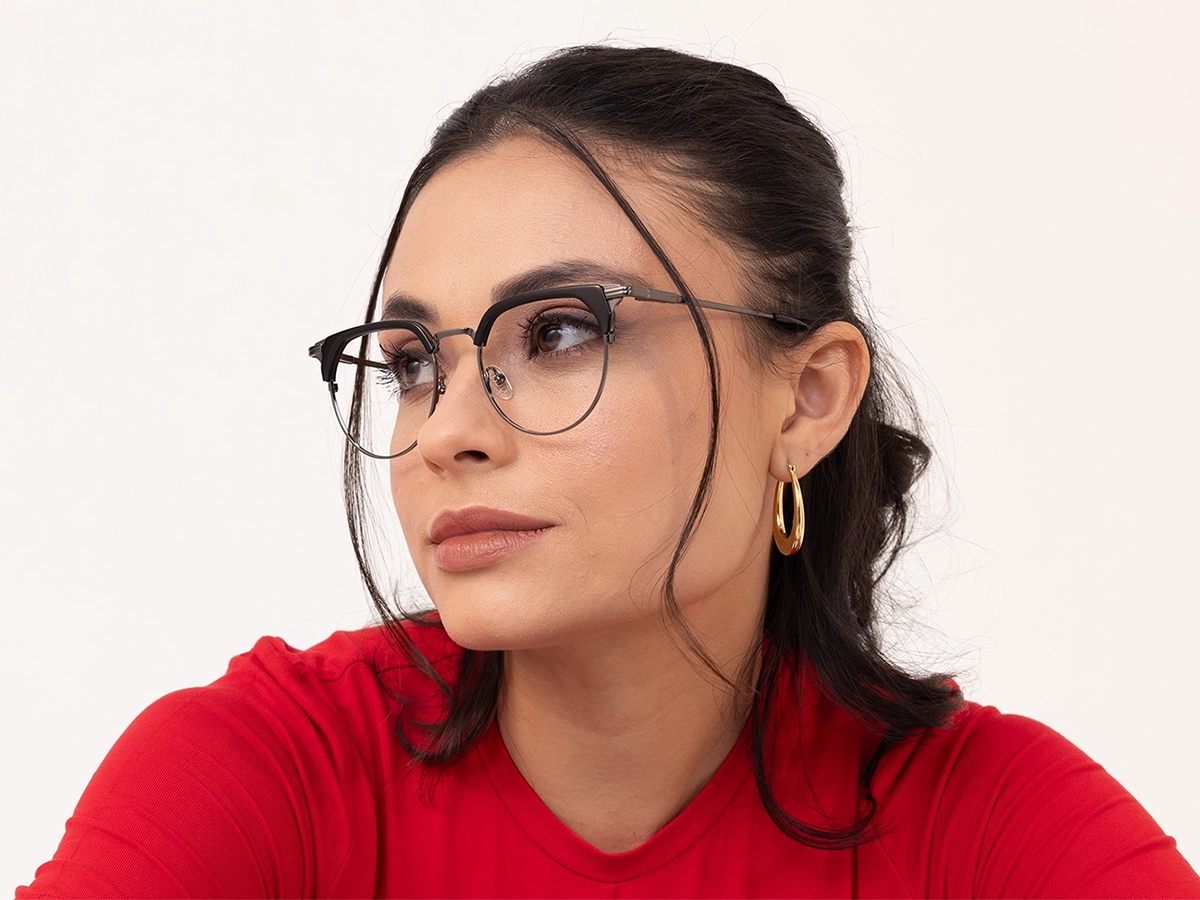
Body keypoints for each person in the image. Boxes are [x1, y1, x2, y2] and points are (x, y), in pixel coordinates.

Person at [18, 44, 1200, 899]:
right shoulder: (269, 773)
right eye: (415, 362)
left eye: (561, 332)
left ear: (807, 398)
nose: (445, 431)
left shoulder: (982, 829)